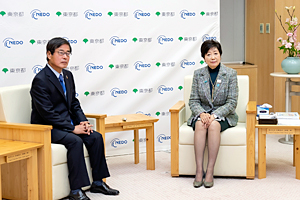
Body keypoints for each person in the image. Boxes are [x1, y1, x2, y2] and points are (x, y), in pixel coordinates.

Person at [30, 37, 119, 200]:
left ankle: (98, 183)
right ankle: (75, 190)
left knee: (96, 137)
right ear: (49, 54)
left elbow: (74, 103)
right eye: (61, 53)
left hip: (65, 124)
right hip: (46, 127)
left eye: (68, 53)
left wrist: (83, 122)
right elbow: (47, 113)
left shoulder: (68, 76)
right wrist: (72, 128)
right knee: (75, 140)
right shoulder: (40, 80)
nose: (65, 57)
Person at [187, 39, 238, 188]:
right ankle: (198, 170)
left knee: (214, 126)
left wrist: (214, 115)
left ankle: (209, 171)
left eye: (215, 53)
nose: (213, 57)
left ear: (220, 55)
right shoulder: (198, 74)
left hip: (224, 114)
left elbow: (232, 102)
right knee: (200, 124)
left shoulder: (230, 74)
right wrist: (202, 113)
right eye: (209, 54)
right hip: (203, 113)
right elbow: (193, 100)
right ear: (204, 57)